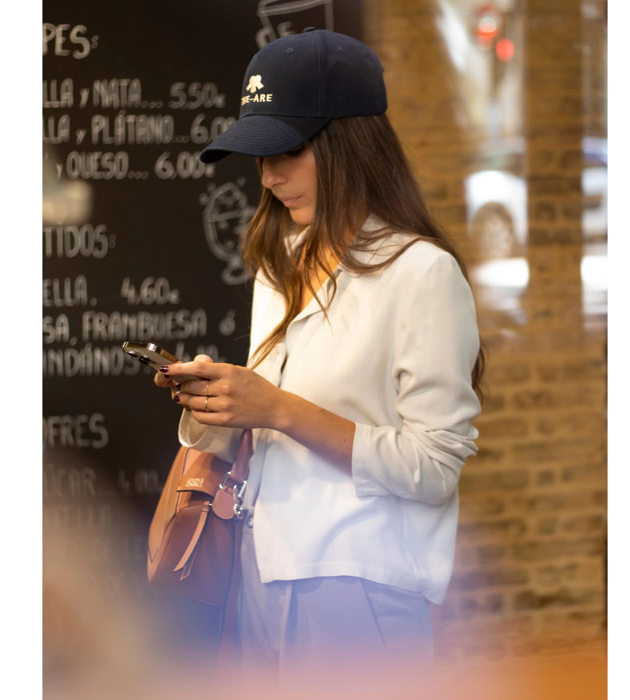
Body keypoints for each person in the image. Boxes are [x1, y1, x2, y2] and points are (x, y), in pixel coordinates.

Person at [155, 28, 484, 676]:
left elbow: (434, 468)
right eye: (258, 153)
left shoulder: (422, 274)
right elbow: (266, 420)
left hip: (359, 583)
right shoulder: (279, 265)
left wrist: (277, 408)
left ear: (351, 143)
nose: (270, 175)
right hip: (258, 568)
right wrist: (217, 400)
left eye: (289, 149)